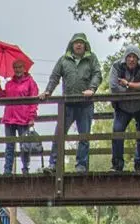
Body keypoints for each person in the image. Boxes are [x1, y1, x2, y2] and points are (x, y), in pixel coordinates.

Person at [43, 33, 100, 173]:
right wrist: (48, 91)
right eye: (76, 42)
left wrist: (92, 89)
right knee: (59, 134)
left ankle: (81, 165)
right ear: (72, 45)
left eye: (81, 42)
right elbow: (55, 76)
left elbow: (97, 74)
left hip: (85, 104)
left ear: (85, 45)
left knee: (84, 136)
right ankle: (54, 164)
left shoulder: (91, 58)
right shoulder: (64, 60)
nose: (79, 45)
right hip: (67, 105)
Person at [107, 43, 140, 172]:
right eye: (129, 56)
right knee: (117, 132)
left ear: (138, 58)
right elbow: (113, 87)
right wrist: (138, 88)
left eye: (134, 57)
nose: (131, 59)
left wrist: (128, 85)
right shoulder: (116, 66)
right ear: (125, 58)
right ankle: (117, 165)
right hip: (122, 107)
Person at [0, 58, 40, 174]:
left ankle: (25, 168)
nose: (17, 69)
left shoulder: (30, 82)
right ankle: (7, 170)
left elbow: (34, 100)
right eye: (15, 67)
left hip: (23, 118)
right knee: (9, 145)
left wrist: (32, 117)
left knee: (24, 145)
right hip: (9, 118)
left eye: (20, 67)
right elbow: (2, 97)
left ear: (24, 68)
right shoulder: (9, 83)